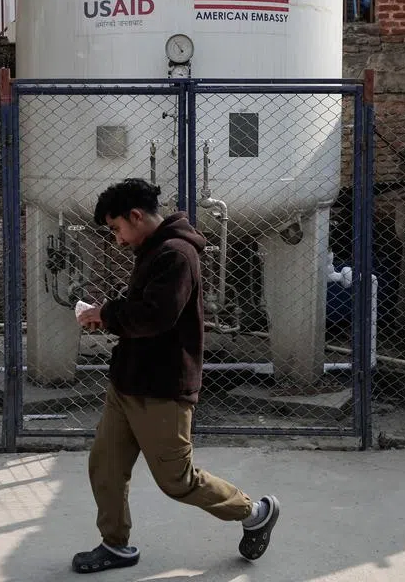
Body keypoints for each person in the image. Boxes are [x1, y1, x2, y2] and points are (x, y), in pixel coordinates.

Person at [72, 178, 279, 574]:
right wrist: (111, 318)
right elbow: (144, 315)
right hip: (128, 381)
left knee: (177, 480)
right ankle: (114, 545)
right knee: (106, 467)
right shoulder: (152, 251)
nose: (117, 240)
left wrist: (107, 313)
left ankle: (254, 512)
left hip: (162, 389)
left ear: (136, 216)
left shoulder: (176, 254)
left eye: (117, 228)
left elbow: (156, 317)